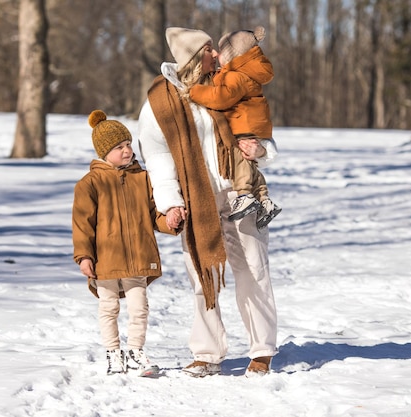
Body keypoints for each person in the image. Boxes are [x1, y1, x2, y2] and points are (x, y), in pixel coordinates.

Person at [137, 27, 278, 377]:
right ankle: (207, 352)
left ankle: (262, 351)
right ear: (192, 57)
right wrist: (170, 203)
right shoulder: (159, 101)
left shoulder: (229, 82)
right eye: (209, 49)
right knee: (204, 276)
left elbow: (260, 125)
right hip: (197, 200)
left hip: (239, 192)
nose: (217, 55)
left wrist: (261, 151)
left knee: (254, 271)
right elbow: (156, 157)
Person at [72, 110, 179, 377]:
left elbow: (156, 214)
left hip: (139, 256)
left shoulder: (142, 179)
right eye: (119, 147)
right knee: (109, 308)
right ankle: (113, 353)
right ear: (104, 152)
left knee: (139, 308)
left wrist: (171, 222)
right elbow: (82, 223)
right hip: (105, 259)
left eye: (129, 144)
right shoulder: (90, 184)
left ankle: (135, 351)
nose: (127, 150)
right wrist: (84, 256)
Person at [189, 26, 281, 229]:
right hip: (254, 124)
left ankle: (245, 194)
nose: (216, 55)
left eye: (220, 52)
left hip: (243, 123)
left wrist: (195, 92)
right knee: (251, 164)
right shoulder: (246, 72)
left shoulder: (236, 76)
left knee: (240, 158)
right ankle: (264, 200)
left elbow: (220, 98)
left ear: (231, 55)